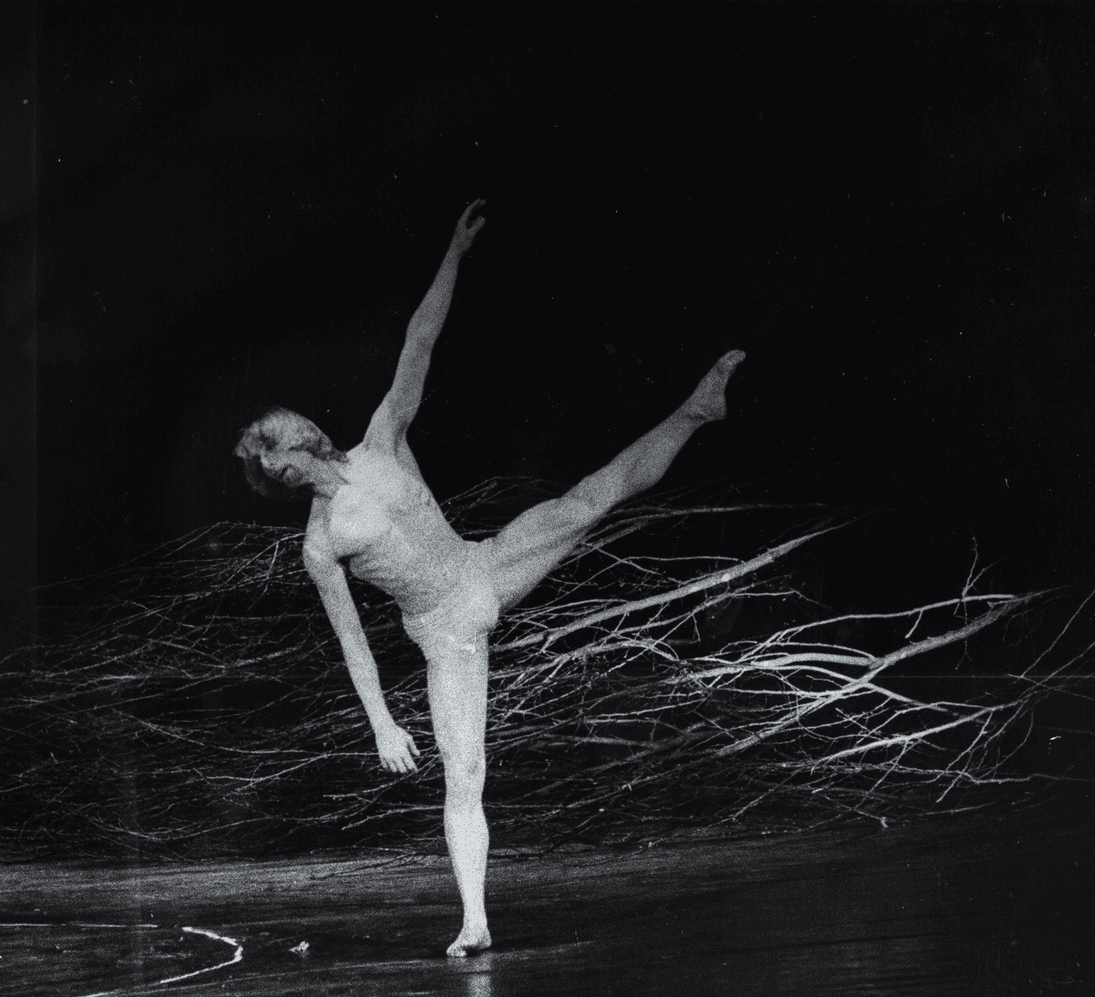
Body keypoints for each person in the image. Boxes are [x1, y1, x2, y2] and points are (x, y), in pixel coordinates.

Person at [234, 200, 745, 956]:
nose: (290, 459)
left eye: (284, 445)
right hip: (445, 632)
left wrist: (453, 252)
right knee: (463, 772)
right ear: (279, 473)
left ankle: (698, 409)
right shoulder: (321, 543)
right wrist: (382, 722)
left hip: (484, 567)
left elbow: (420, 341)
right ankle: (475, 919)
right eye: (276, 463)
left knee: (589, 498)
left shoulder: (382, 440)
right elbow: (352, 642)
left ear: (300, 439)